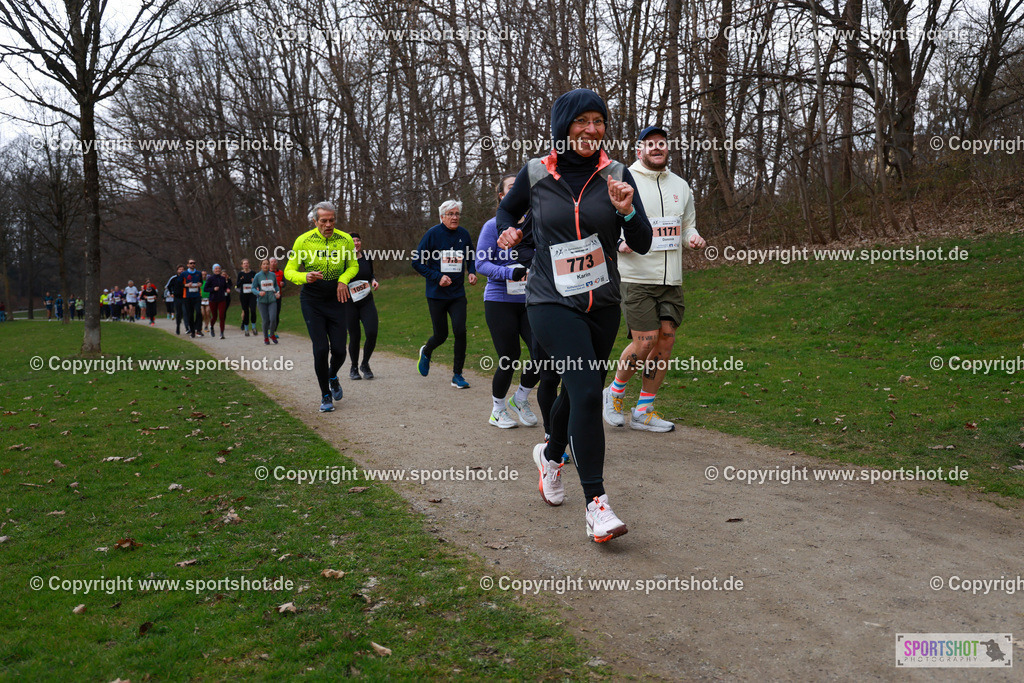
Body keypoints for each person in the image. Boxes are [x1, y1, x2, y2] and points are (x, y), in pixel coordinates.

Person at [497, 88, 652, 543]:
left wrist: (625, 210)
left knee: (577, 392)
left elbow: (640, 240)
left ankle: (550, 455)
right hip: (549, 298)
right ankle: (597, 505)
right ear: (563, 126)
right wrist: (508, 227)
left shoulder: (619, 174)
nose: (590, 129)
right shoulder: (535, 173)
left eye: (598, 121)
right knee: (587, 391)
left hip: (601, 302)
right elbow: (509, 207)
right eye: (581, 121)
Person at [602, 126, 706, 432]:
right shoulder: (624, 180)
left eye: (661, 143)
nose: (657, 148)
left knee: (666, 342)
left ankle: (644, 409)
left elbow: (687, 226)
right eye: (650, 144)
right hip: (636, 276)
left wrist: (694, 238)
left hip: (671, 278)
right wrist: (620, 242)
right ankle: (614, 392)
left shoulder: (681, 186)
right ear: (639, 150)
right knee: (644, 341)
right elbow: (608, 225)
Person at [477, 173, 549, 430]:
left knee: (543, 353)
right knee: (509, 357)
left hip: (532, 299)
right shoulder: (490, 227)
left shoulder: (537, 224)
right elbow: (481, 264)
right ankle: (497, 410)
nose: (516, 191)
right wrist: (511, 272)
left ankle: (520, 398)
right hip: (500, 300)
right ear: (502, 195)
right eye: (510, 188)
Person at [283, 201, 358, 412]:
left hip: (337, 298)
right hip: (312, 300)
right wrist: (304, 276)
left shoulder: (345, 240)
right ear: (315, 221)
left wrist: (343, 280)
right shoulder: (303, 241)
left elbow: (353, 265)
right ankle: (325, 395)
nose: (328, 224)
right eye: (323, 221)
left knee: (340, 351)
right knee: (321, 349)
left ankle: (332, 375)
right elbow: (289, 271)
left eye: (331, 220)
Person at [412, 200, 478, 388]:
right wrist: (437, 277)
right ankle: (427, 350)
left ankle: (457, 375)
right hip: (436, 294)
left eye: (457, 214)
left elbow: (471, 257)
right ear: (442, 216)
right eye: (451, 214)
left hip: (457, 294)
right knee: (441, 335)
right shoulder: (432, 234)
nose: (455, 217)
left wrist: (472, 271)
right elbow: (417, 262)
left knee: (460, 331)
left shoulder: (463, 234)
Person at [345, 232, 379, 380]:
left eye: (358, 240)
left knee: (372, 332)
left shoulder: (367, 257)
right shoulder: (343, 260)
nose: (356, 243)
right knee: (355, 336)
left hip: (366, 300)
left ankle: (365, 364)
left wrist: (373, 281)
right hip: (349, 303)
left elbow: (370, 274)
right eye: (352, 241)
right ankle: (353, 367)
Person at [252, 258, 280, 344]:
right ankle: (265, 337)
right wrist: (259, 292)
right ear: (261, 266)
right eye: (264, 264)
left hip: (272, 300)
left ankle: (271, 334)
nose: (266, 265)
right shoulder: (257, 276)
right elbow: (253, 288)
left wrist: (277, 292)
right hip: (261, 302)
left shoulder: (272, 275)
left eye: (267, 264)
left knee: (273, 319)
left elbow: (276, 286)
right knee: (265, 320)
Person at [206, 264, 231, 338]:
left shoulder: (223, 278)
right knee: (214, 316)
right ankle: (211, 327)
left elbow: (226, 287)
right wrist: (213, 289)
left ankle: (222, 333)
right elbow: (205, 289)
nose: (217, 270)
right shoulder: (210, 278)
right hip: (213, 300)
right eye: (216, 269)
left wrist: (227, 289)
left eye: (219, 268)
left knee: (222, 316)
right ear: (213, 270)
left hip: (222, 299)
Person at [181, 259, 204, 337]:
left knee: (198, 312)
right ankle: (192, 331)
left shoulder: (198, 273)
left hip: (197, 295)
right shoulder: (184, 274)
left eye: (194, 263)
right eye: (191, 263)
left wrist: (200, 284)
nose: (192, 264)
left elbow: (201, 282)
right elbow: (179, 284)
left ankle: (199, 329)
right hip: (187, 296)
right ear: (187, 265)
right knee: (190, 314)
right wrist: (186, 285)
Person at [236, 259, 258, 337]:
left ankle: (254, 327)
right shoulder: (240, 274)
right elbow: (237, 285)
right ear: (242, 265)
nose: (246, 265)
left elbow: (257, 284)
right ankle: (246, 329)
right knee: (246, 312)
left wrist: (254, 281)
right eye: (244, 263)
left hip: (252, 294)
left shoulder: (253, 273)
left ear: (249, 264)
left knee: (253, 310)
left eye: (247, 263)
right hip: (243, 295)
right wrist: (241, 280)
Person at [166, 265, 187, 334]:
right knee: (178, 313)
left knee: (185, 312)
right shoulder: (174, 278)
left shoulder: (186, 278)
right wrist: (171, 293)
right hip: (177, 297)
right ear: (177, 270)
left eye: (182, 269)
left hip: (185, 297)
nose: (181, 270)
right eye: (180, 269)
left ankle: (187, 328)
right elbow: (168, 286)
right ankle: (178, 327)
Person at [269, 257, 285, 335]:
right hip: (268, 296)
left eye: (275, 262)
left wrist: (283, 284)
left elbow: (284, 283)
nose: (273, 263)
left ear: (277, 263)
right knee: (270, 313)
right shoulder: (266, 272)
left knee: (276, 313)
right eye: (272, 262)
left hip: (278, 295)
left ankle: (273, 331)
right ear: (269, 263)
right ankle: (269, 330)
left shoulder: (281, 272)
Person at [199, 270, 211, 334]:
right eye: (202, 274)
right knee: (203, 313)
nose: (204, 276)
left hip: (208, 299)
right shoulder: (199, 282)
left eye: (205, 275)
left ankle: (206, 326)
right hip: (201, 299)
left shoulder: (208, 282)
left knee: (207, 312)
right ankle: (200, 325)